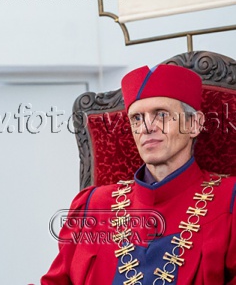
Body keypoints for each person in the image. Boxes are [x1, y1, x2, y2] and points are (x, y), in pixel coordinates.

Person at [40, 64, 236, 283]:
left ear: (194, 124)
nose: (146, 127)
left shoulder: (230, 201)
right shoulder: (93, 205)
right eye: (136, 118)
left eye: (161, 114)